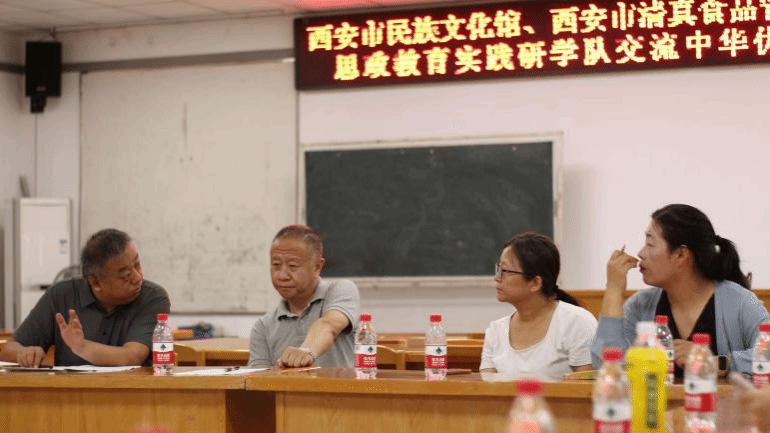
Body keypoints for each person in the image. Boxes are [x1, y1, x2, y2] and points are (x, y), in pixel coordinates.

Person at [591, 203, 769, 375]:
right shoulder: (641, 305)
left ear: (681, 254)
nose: (640, 253)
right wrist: (613, 290)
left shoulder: (738, 301)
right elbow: (608, 365)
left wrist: (717, 362)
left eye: (650, 244)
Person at [0, 228, 170, 367]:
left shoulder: (153, 297)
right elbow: (9, 348)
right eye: (125, 276)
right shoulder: (61, 295)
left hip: (131, 395)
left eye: (137, 265)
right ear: (95, 282)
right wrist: (25, 354)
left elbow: (133, 355)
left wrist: (81, 347)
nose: (137, 277)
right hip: (70, 395)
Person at [479, 232, 597, 379]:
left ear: (535, 283)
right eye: (498, 269)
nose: (497, 278)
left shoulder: (577, 322)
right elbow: (486, 388)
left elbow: (587, 388)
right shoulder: (496, 331)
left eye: (505, 271)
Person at [248, 224, 360, 368]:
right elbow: (258, 377)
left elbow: (329, 324)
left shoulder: (341, 290)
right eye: (276, 265)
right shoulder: (263, 327)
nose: (282, 275)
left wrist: (306, 351)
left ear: (317, 267)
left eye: (292, 266)